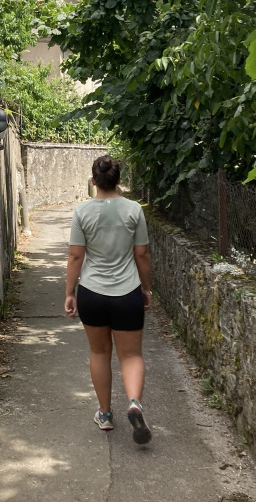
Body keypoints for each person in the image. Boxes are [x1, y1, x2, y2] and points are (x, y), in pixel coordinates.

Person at [64, 155, 153, 444]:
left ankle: (104, 414)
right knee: (131, 355)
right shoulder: (134, 210)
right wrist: (146, 289)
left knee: (100, 353)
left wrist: (69, 293)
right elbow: (142, 254)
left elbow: (76, 256)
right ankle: (134, 403)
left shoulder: (82, 212)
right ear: (119, 180)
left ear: (93, 181)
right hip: (127, 293)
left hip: (92, 293)